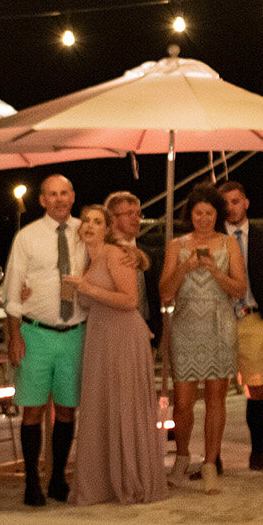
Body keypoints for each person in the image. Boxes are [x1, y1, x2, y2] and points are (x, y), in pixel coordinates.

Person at [69, 204, 167, 505]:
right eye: (85, 220)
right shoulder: (86, 258)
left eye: (97, 222)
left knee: (125, 403)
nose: (89, 226)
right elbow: (87, 303)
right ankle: (105, 482)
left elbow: (130, 300)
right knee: (103, 404)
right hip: (99, 333)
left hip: (124, 333)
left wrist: (86, 287)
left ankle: (131, 478)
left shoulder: (116, 254)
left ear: (107, 229)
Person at [0, 174, 82, 507]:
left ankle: (58, 477)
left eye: (65, 192)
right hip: (35, 333)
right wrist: (14, 334)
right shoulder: (27, 236)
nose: (60, 199)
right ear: (43, 200)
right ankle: (32, 481)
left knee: (66, 409)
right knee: (32, 410)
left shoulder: (86, 232)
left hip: (75, 332)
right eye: (53, 194)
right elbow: (12, 290)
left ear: (72, 196)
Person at [159, 186, 244, 492]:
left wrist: (215, 272)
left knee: (215, 397)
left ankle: (210, 463)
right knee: (182, 402)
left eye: (210, 212)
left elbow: (239, 290)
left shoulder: (229, 244)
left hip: (219, 323)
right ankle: (181, 458)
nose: (204, 218)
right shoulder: (176, 246)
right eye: (198, 212)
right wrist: (184, 267)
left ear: (217, 215)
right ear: (190, 215)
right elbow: (165, 292)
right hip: (184, 325)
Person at [218, 181, 263, 473]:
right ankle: (214, 457)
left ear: (246, 203)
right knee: (217, 389)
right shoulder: (214, 238)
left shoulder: (261, 238)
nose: (231, 207)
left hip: (253, 318)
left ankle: (258, 453)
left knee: (256, 388)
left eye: (236, 201)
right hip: (221, 319)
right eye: (226, 203)